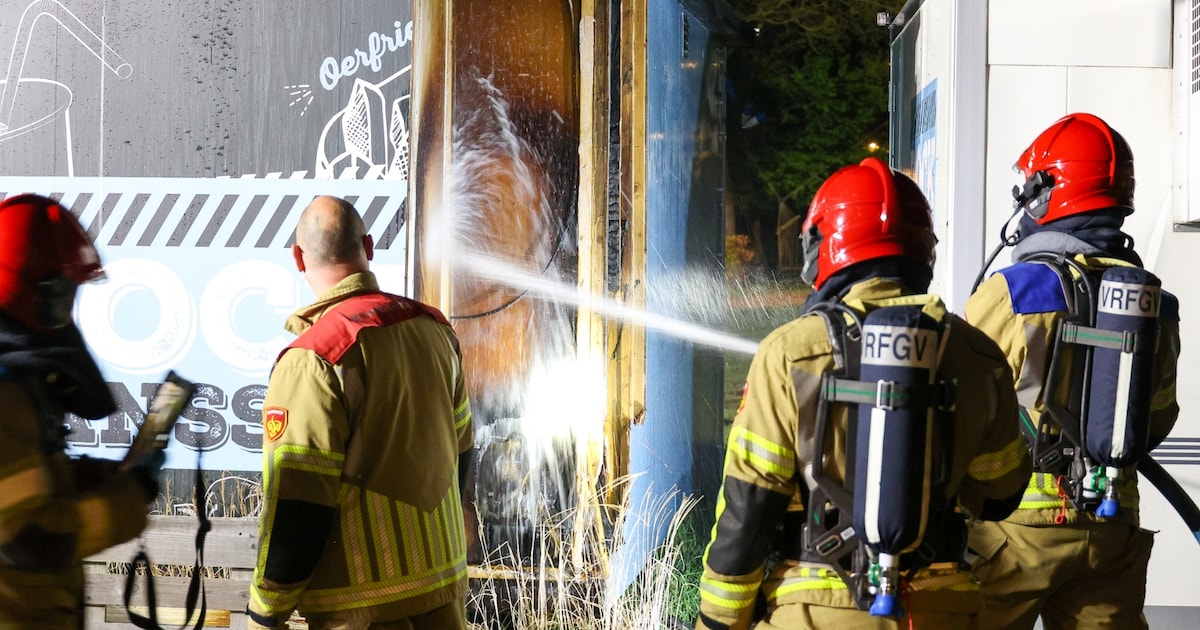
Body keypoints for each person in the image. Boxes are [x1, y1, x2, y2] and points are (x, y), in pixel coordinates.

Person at [695, 158, 1032, 630]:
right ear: (923, 250)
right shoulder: (978, 356)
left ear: (823, 246)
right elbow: (1000, 494)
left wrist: (718, 620)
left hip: (813, 612)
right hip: (942, 611)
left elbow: (749, 509)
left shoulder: (790, 353)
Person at [964, 113, 1181, 629]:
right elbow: (1157, 418)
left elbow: (964, 413)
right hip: (1112, 529)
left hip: (1012, 530)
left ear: (1045, 193)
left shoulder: (1010, 293)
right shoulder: (1154, 303)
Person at [247, 196, 475, 630]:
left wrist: (266, 608)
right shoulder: (435, 331)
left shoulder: (313, 359)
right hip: (442, 593)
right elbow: (462, 450)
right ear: (368, 247)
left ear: (298, 257)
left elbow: (300, 501)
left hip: (361, 609)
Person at [0, 194, 162, 628]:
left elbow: (18, 488)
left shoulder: (20, 381)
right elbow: (29, 540)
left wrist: (92, 478)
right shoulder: (5, 393)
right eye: (67, 291)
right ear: (45, 293)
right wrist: (127, 500)